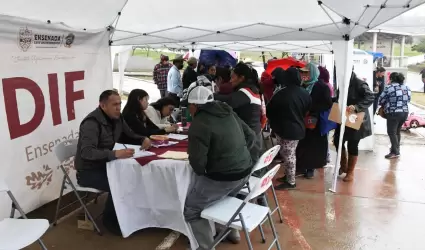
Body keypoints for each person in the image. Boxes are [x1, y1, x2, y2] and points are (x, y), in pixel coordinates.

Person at [184, 86, 255, 249]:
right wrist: (239, 156)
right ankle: (231, 232)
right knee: (225, 198)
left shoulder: (199, 123)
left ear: (194, 106)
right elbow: (251, 136)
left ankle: (206, 246)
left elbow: (198, 164)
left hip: (223, 178)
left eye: (189, 106)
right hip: (245, 172)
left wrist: (207, 172)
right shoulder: (229, 112)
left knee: (192, 209)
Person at [75, 90, 152, 235]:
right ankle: (111, 221)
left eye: (120, 104)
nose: (118, 107)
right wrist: (114, 154)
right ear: (103, 106)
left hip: (108, 165)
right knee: (121, 183)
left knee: (136, 176)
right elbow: (86, 152)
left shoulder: (117, 118)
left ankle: (133, 215)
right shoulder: (91, 123)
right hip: (89, 172)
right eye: (114, 104)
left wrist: (142, 139)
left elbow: (130, 134)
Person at [267, 67, 311, 189]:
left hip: (284, 129)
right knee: (288, 154)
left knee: (289, 155)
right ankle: (287, 176)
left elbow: (269, 111)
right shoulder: (305, 92)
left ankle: (291, 181)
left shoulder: (281, 93)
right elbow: (307, 110)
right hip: (297, 127)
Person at [214, 62, 262, 162]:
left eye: (233, 77)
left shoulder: (247, 92)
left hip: (250, 138)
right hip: (252, 135)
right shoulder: (250, 89)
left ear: (241, 78)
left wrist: (210, 96)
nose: (230, 81)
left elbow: (230, 101)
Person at [334, 72, 374, 181]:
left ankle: (350, 172)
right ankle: (343, 165)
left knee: (353, 144)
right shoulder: (342, 82)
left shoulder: (360, 84)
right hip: (343, 116)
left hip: (356, 118)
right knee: (337, 140)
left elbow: (370, 96)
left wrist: (357, 107)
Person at [296, 63, 333, 179]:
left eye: (306, 73)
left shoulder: (321, 87)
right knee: (303, 143)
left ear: (313, 73)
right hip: (303, 120)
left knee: (313, 146)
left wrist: (311, 109)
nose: (303, 75)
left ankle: (310, 168)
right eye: (302, 72)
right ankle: (303, 164)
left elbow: (327, 104)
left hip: (315, 122)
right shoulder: (302, 86)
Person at [378, 72, 411, 159]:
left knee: (391, 132)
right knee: (397, 131)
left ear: (391, 79)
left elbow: (380, 100)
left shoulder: (389, 88)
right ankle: (395, 149)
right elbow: (409, 99)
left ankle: (395, 152)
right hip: (404, 112)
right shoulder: (406, 88)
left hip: (393, 112)